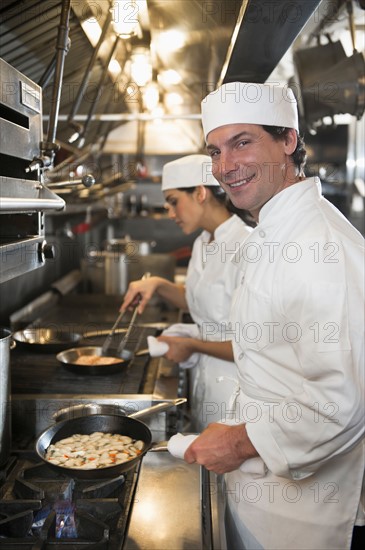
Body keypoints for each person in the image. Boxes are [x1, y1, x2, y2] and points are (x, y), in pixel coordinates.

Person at [182, 82, 365, 549]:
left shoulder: (320, 246)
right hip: (260, 498)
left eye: (242, 142)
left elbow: (341, 403)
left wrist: (239, 442)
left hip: (302, 522)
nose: (225, 167)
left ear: (288, 141)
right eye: (216, 151)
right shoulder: (272, 231)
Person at [121, 154, 253, 430]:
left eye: (173, 202)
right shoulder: (203, 242)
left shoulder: (247, 247)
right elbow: (198, 300)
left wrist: (191, 345)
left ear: (200, 193)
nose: (170, 214)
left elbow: (252, 346)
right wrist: (157, 284)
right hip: (205, 382)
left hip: (239, 392)